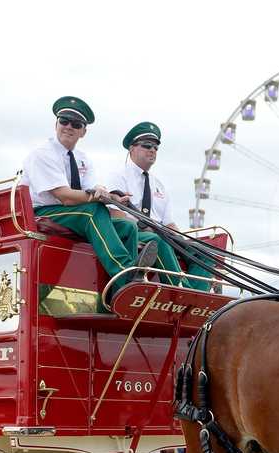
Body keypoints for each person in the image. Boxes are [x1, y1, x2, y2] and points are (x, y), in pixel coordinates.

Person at [21, 97, 170, 301]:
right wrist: (99, 197)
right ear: (56, 123)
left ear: (83, 131)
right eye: (64, 121)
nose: (68, 127)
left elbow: (91, 191)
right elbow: (64, 196)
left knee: (127, 227)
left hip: (76, 212)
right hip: (48, 212)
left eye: (76, 124)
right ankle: (126, 275)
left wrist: (111, 197)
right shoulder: (42, 154)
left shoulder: (84, 159)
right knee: (94, 212)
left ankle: (112, 296)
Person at [105, 122, 213, 291]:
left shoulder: (159, 185)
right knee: (157, 241)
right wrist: (150, 231)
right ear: (132, 148)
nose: (152, 150)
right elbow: (116, 216)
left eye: (156, 147)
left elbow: (169, 224)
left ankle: (199, 297)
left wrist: (184, 243)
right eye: (147, 145)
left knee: (204, 253)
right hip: (132, 234)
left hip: (160, 234)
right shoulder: (118, 176)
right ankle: (181, 291)